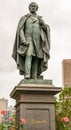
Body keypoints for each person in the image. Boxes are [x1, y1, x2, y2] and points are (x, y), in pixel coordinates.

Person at [12, 2, 50, 79]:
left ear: (36, 8)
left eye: (34, 6)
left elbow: (46, 30)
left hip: (38, 41)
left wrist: (44, 24)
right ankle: (27, 74)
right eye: (31, 6)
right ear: (29, 8)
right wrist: (23, 39)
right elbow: (21, 29)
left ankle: (34, 75)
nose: (33, 7)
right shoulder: (24, 18)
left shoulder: (40, 19)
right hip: (28, 40)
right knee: (29, 55)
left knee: (36, 57)